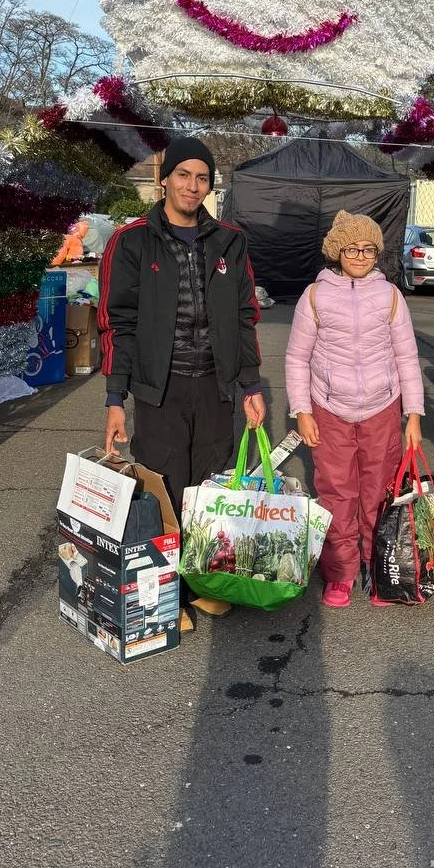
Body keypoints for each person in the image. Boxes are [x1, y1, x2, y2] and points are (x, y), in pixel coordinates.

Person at [98, 136, 266, 620]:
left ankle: (199, 582)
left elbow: (244, 314)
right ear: (164, 178)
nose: (193, 186)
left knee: (209, 488)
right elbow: (117, 322)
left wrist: (250, 385)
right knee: (164, 486)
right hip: (160, 388)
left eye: (203, 178)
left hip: (215, 384)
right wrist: (115, 398)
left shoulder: (229, 241)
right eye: (184, 175)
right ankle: (162, 593)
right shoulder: (130, 241)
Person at [285, 211, 425, 608]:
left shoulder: (390, 296)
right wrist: (302, 410)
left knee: (379, 493)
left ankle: (379, 569)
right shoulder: (314, 296)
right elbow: (297, 358)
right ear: (337, 251)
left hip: (383, 407)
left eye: (368, 249)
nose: (360, 256)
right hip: (328, 409)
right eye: (352, 248)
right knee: (336, 494)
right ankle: (342, 573)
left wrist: (413, 414)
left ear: (377, 252)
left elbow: (407, 358)